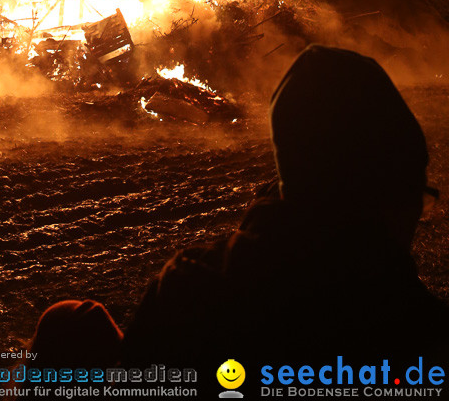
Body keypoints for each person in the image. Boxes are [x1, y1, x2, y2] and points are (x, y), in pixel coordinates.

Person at [122, 45, 449, 373]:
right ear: (381, 198)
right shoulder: (423, 343)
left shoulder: (185, 295)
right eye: (411, 198)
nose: (415, 222)